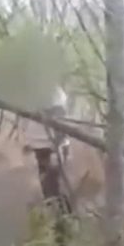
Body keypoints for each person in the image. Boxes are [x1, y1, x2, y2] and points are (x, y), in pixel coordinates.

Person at [23, 87, 73, 217]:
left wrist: (57, 149)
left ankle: (65, 217)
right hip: (41, 146)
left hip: (52, 147)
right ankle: (56, 216)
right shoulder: (34, 91)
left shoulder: (55, 94)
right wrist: (29, 143)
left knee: (54, 185)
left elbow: (61, 124)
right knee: (46, 184)